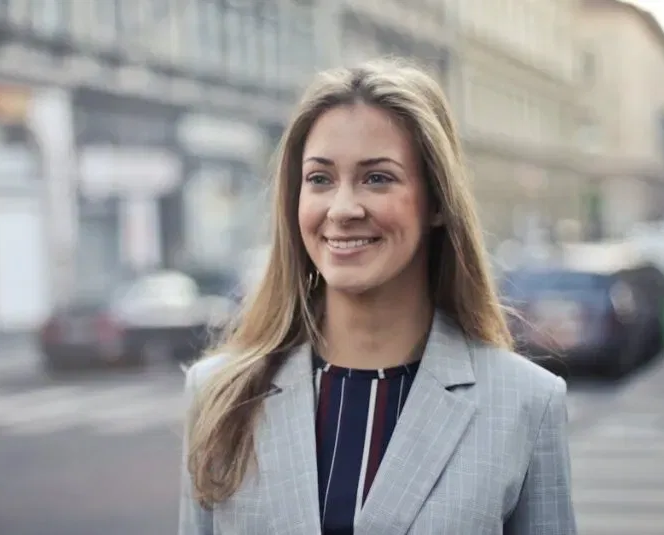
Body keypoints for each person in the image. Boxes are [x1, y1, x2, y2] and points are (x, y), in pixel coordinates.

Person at [178, 59, 576, 535]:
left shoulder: (526, 403)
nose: (343, 209)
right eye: (320, 179)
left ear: (435, 202)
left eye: (377, 178)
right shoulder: (220, 394)